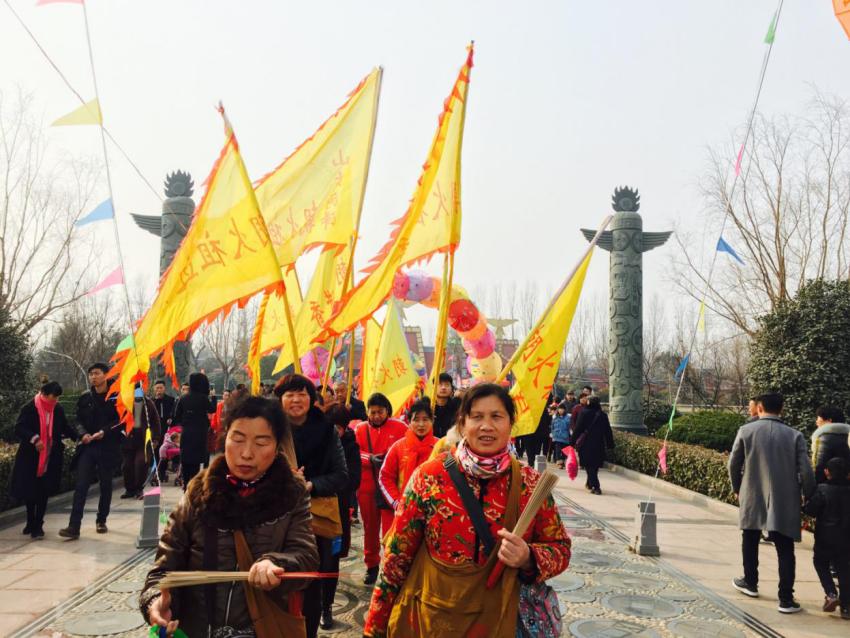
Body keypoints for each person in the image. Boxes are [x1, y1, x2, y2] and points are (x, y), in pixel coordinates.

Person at [363, 383, 572, 637]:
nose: (486, 426)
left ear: (510, 424)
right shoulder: (429, 478)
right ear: (462, 424)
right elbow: (396, 558)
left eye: (496, 416)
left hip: (500, 620)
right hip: (432, 618)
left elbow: (560, 548)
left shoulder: (531, 485)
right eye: (476, 417)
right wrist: (374, 627)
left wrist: (529, 557)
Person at [140, 396, 319, 637]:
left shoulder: (291, 494)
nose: (247, 453)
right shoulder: (198, 492)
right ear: (224, 440)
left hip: (262, 629)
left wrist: (276, 563)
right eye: (238, 439)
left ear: (277, 448)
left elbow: (306, 556)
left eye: (261, 442)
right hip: (199, 630)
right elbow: (163, 568)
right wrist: (155, 602)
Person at [728, 392, 816, 613]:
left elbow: (733, 464)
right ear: (782, 409)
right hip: (785, 497)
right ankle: (786, 599)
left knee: (749, 538)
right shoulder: (794, 435)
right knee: (785, 547)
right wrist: (808, 494)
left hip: (752, 493)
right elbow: (806, 471)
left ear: (759, 408)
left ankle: (750, 582)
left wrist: (738, 488)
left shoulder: (746, 431)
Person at [275, 374, 348, 635]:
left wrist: (310, 485)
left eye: (302, 393)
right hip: (277, 519)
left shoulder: (327, 431)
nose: (296, 399)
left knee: (313, 585)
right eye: (289, 394)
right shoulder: (271, 430)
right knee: (281, 583)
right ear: (280, 399)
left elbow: (341, 476)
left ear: (312, 398)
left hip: (316, 519)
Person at [60, 363, 122, 539]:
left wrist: (105, 432)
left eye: (97, 373)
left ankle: (101, 519)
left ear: (106, 375)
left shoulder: (115, 397)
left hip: (107, 446)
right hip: (88, 446)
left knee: (106, 485)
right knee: (81, 485)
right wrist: (83, 434)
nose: (93, 377)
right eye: (91, 374)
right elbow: (77, 420)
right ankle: (74, 526)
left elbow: (121, 420)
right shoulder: (85, 397)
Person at [11, 381, 78, 539]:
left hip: (50, 456)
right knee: (30, 491)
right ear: (43, 394)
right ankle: (30, 521)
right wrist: (34, 439)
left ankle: (38, 524)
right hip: (30, 457)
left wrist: (79, 437)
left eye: (56, 399)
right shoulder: (30, 408)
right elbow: (19, 427)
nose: (54, 401)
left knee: (43, 490)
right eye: (51, 398)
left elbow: (65, 427)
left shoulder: (58, 409)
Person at [354, 393, 408, 586]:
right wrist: (370, 458)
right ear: (368, 411)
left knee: (390, 530)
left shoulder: (401, 427)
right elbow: (353, 452)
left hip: (390, 488)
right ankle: (371, 565)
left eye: (380, 411)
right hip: (367, 486)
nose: (376, 415)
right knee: (370, 528)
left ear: (388, 411)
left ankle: (389, 565)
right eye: (373, 412)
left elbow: (407, 449)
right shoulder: (359, 429)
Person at [803, 457, 850, 619]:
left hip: (825, 537)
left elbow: (810, 510)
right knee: (844, 569)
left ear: (826, 472)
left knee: (820, 562)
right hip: (846, 539)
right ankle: (846, 607)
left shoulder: (822, 489)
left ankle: (831, 593)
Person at [379, 400, 438, 510]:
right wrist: (397, 503)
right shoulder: (398, 447)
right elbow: (385, 477)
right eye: (416, 420)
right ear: (409, 422)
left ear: (432, 421)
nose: (421, 424)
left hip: (433, 510)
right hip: (403, 509)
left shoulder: (440, 447)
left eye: (425, 419)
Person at [173, 372, 212, 488]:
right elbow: (212, 409)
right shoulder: (203, 398)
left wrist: (186, 421)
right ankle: (193, 485)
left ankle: (185, 485)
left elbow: (177, 416)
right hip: (200, 433)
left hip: (187, 432)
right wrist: (213, 397)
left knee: (186, 459)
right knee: (195, 462)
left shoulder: (183, 398)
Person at [121, 386, 161, 499]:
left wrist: (156, 439)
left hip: (144, 440)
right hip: (128, 439)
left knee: (141, 463)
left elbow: (156, 422)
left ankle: (139, 489)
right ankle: (129, 489)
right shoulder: (125, 402)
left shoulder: (149, 404)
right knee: (126, 466)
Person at [571, 396, 614, 494]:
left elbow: (578, 428)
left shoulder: (584, 413)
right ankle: (590, 483)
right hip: (599, 444)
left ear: (589, 402)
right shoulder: (602, 415)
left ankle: (596, 486)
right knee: (594, 466)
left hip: (586, 444)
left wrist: (572, 441)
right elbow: (608, 431)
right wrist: (610, 444)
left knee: (589, 465)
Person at [811, 405, 850, 483]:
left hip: (829, 488)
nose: (816, 421)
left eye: (818, 418)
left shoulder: (824, 439)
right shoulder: (847, 435)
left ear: (829, 420)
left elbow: (819, 468)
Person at [432, 373, 461, 438]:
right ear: (433, 388)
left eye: (447, 385)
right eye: (440, 384)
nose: (443, 387)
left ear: (452, 388)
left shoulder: (457, 406)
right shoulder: (428, 407)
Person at [550, 403, 571, 468]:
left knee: (565, 451)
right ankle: (559, 462)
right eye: (559, 409)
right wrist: (552, 433)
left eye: (562, 409)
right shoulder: (555, 417)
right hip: (557, 436)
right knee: (558, 450)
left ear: (565, 410)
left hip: (565, 437)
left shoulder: (568, 417)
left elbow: (570, 426)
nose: (561, 410)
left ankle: (563, 461)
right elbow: (552, 426)